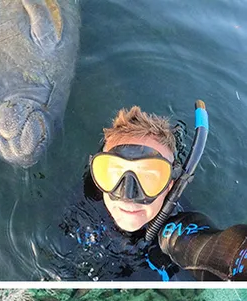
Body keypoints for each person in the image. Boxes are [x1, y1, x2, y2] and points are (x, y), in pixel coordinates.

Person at [67, 106, 247, 280]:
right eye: (115, 173)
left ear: (171, 184)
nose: (128, 196)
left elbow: (216, 251)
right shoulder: (86, 195)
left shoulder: (175, 230)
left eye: (149, 176)